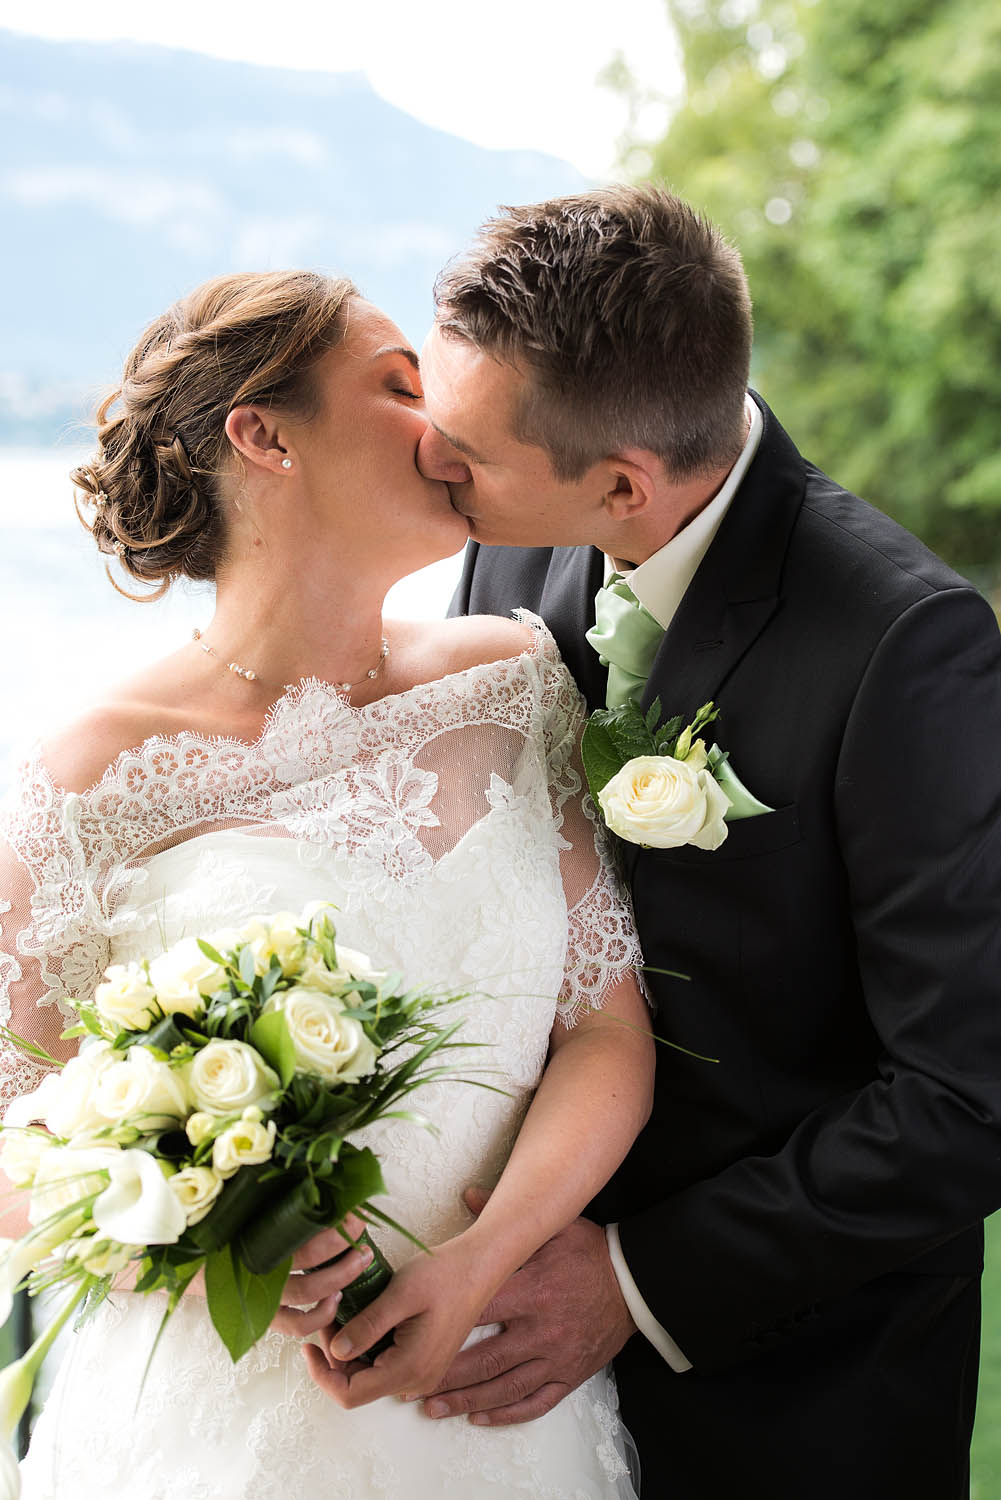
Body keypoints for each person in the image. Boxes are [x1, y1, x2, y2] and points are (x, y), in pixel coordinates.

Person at [0, 270, 655, 1499]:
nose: (445, 428)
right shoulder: (88, 775)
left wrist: (482, 1258)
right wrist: (211, 1246)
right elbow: (12, 1138)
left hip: (493, 1397)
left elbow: (605, 1026)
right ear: (264, 433)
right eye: (402, 387)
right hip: (220, 1422)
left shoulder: (514, 682)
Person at [416, 184, 1001, 1498]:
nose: (428, 464)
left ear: (622, 483)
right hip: (511, 1371)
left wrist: (634, 1280)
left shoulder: (908, 646)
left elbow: (968, 1097)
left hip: (796, 1394)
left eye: (464, 452)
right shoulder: (509, 552)